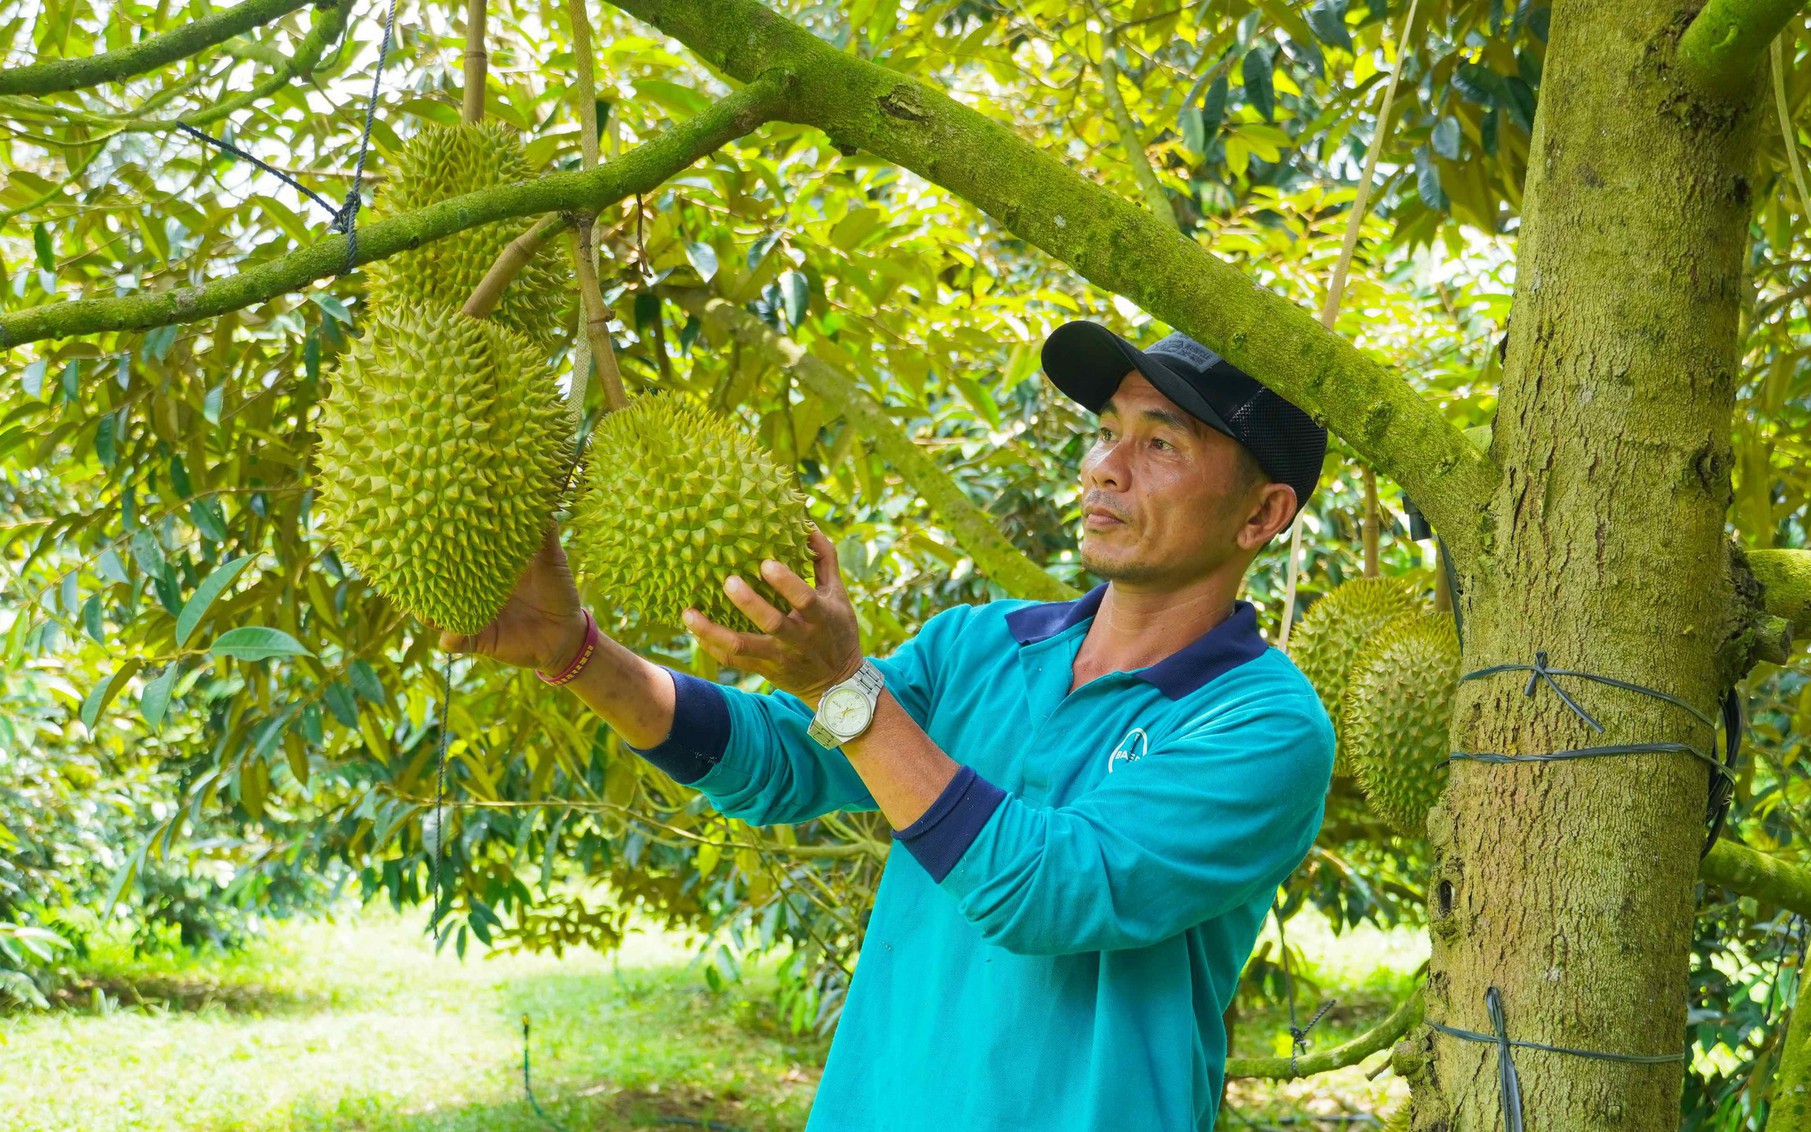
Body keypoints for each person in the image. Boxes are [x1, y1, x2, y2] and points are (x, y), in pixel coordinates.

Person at [442, 320, 1337, 1131]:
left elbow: (1046, 891)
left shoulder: (1262, 724)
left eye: (1161, 443)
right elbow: (787, 763)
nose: (1106, 466)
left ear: (1262, 514)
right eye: (1107, 430)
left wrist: (840, 683)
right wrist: (576, 652)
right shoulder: (979, 644)